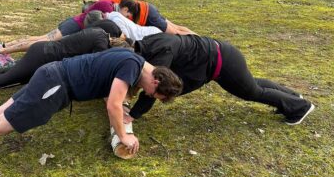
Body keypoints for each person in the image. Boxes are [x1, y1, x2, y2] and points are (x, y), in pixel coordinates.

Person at [0, 49, 183, 165]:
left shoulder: (135, 61)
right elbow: (113, 106)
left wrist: (123, 120)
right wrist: (123, 137)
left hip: (51, 75)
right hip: (55, 85)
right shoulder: (132, 67)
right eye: (155, 95)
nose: (150, 97)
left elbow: (112, 100)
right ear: (156, 81)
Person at [125, 33, 315, 126]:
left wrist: (132, 115)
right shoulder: (149, 45)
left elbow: (154, 91)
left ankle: (300, 106)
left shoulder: (160, 58)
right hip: (221, 58)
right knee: (253, 85)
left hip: (223, 62)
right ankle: (292, 96)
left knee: (252, 92)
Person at [0, 22, 127, 114]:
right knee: (6, 78)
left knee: (13, 79)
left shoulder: (100, 34)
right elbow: (93, 69)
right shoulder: (101, 44)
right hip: (43, 55)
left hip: (44, 53)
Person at [0, 0, 195, 66]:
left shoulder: (108, 5)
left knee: (40, 38)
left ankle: (3, 47)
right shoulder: (108, 8)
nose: (129, 19)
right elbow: (92, 23)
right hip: (74, 27)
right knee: (44, 43)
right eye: (129, 15)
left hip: (73, 23)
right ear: (124, 9)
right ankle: (2, 52)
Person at [84, 10, 162, 41]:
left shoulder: (115, 21)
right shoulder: (113, 14)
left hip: (150, 37)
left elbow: (126, 39)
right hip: (150, 32)